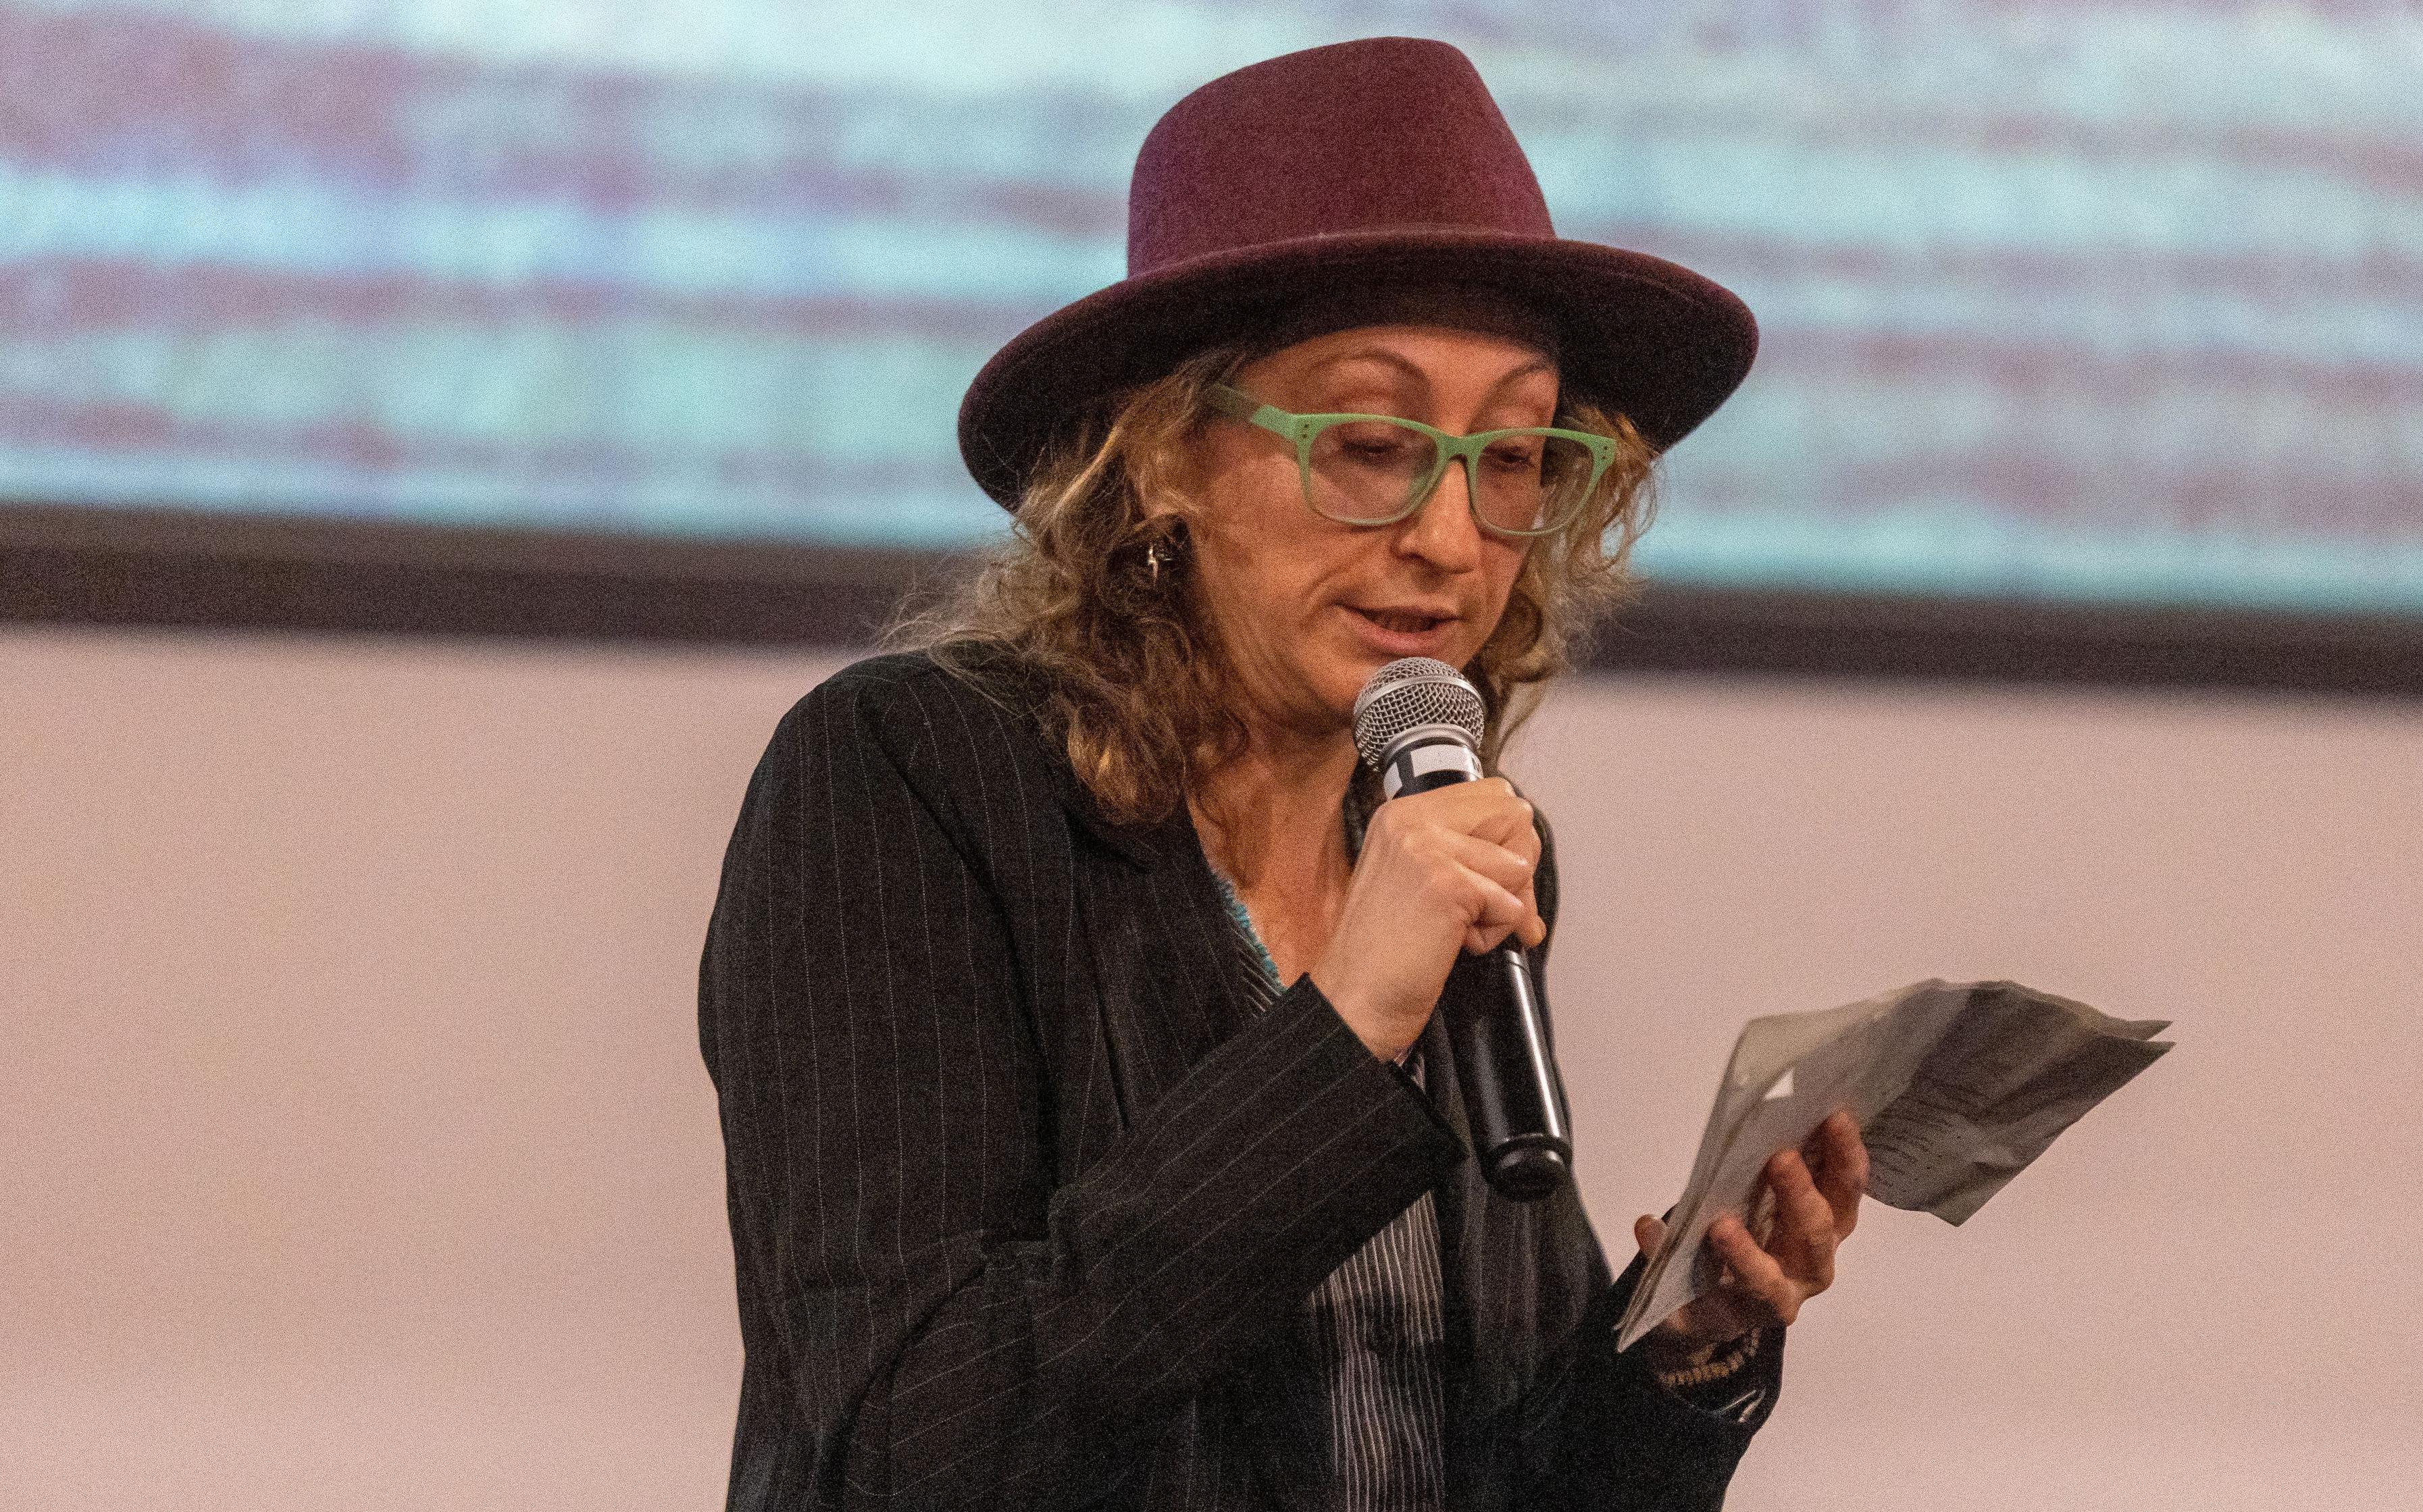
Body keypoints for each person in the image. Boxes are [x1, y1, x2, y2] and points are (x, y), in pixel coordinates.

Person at [699, 36, 1872, 1512]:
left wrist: (1681, 1344)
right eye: (1374, 443)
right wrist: (1346, 1028)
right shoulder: (908, 776)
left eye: (1513, 458)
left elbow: (1489, 1466)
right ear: (1161, 458)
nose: (1452, 538)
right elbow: (903, 1444)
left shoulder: (1450, 835)